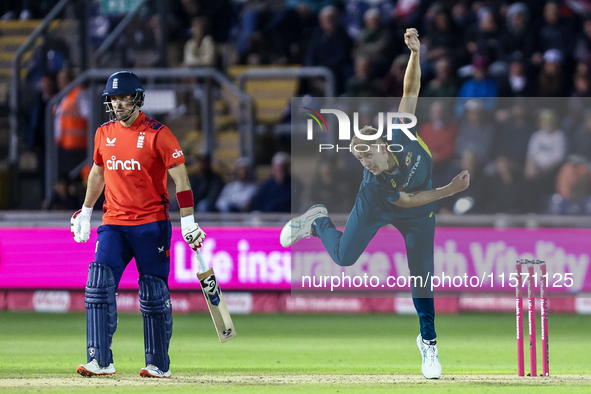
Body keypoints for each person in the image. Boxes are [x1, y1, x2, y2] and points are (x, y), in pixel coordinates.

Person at [280, 29, 470, 379]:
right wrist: (448, 190)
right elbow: (408, 197)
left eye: (368, 154)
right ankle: (318, 221)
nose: (365, 162)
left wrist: (415, 53)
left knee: (422, 275)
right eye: (359, 159)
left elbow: (410, 91)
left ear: (383, 145)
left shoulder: (401, 132)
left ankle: (428, 343)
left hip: (418, 214)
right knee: (343, 257)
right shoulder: (376, 184)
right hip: (383, 203)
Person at [71, 71, 206, 378]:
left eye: (124, 97)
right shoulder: (103, 133)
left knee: (153, 293)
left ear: (138, 98)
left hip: (151, 225)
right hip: (114, 223)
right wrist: (86, 210)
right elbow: (97, 173)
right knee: (98, 285)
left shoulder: (160, 134)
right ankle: (99, 360)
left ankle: (158, 364)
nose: (118, 104)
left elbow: (181, 178)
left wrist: (189, 221)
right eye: (114, 99)